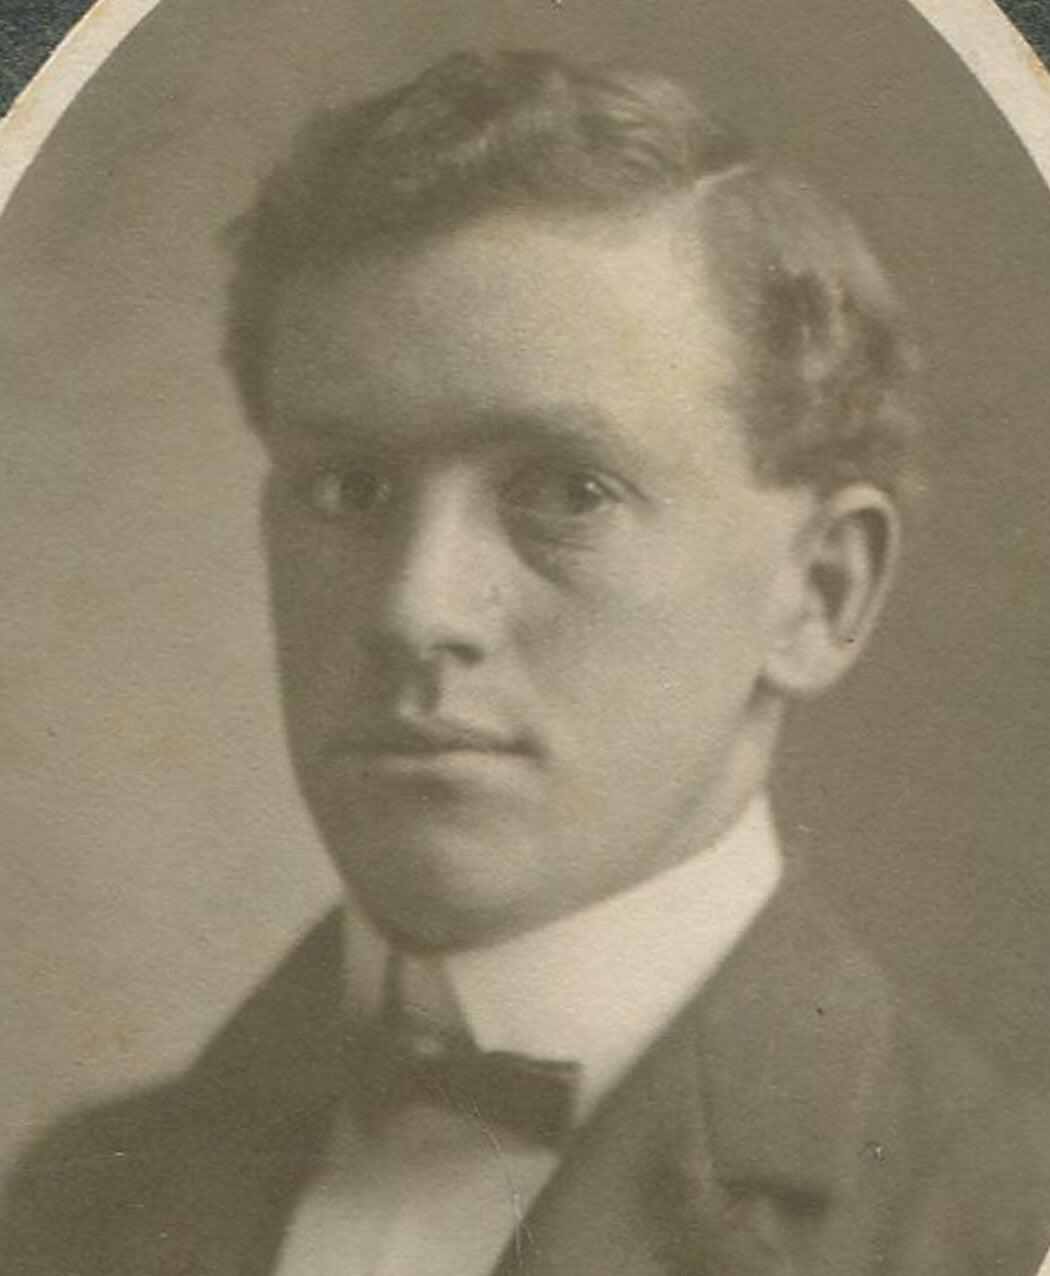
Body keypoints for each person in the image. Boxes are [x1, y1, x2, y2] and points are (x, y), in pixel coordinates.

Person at [2, 48, 1048, 1275]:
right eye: (349, 487)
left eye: (568, 490)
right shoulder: (70, 1205)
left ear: (818, 593)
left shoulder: (993, 1223)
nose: (412, 606)